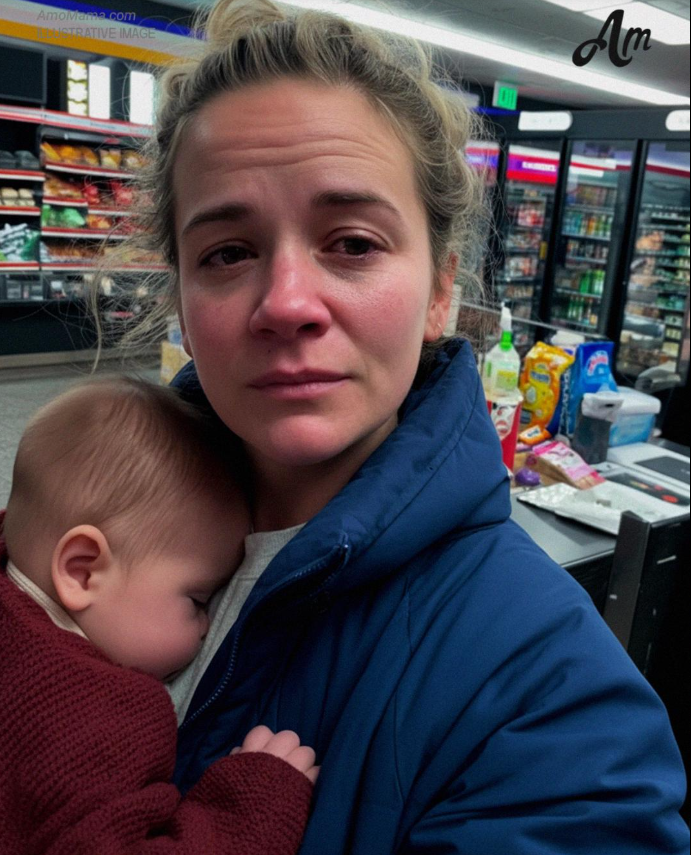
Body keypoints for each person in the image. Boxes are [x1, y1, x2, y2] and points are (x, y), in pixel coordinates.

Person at [109, 0, 688, 850]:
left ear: (441, 291)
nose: (286, 303)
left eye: (352, 242)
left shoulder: (547, 695)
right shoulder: (75, 517)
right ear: (182, 304)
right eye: (227, 252)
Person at [0, 375, 318, 855]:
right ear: (83, 572)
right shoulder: (99, 716)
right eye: (197, 600)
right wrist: (248, 810)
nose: (208, 624)